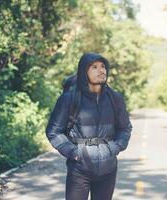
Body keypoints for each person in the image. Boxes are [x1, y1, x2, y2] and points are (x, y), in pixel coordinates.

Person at [46, 52, 132, 200]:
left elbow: (125, 128)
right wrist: (74, 152)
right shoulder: (69, 99)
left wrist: (116, 147)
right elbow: (54, 131)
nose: (101, 70)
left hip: (109, 169)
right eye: (94, 67)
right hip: (79, 169)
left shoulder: (115, 98)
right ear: (83, 72)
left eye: (103, 66)